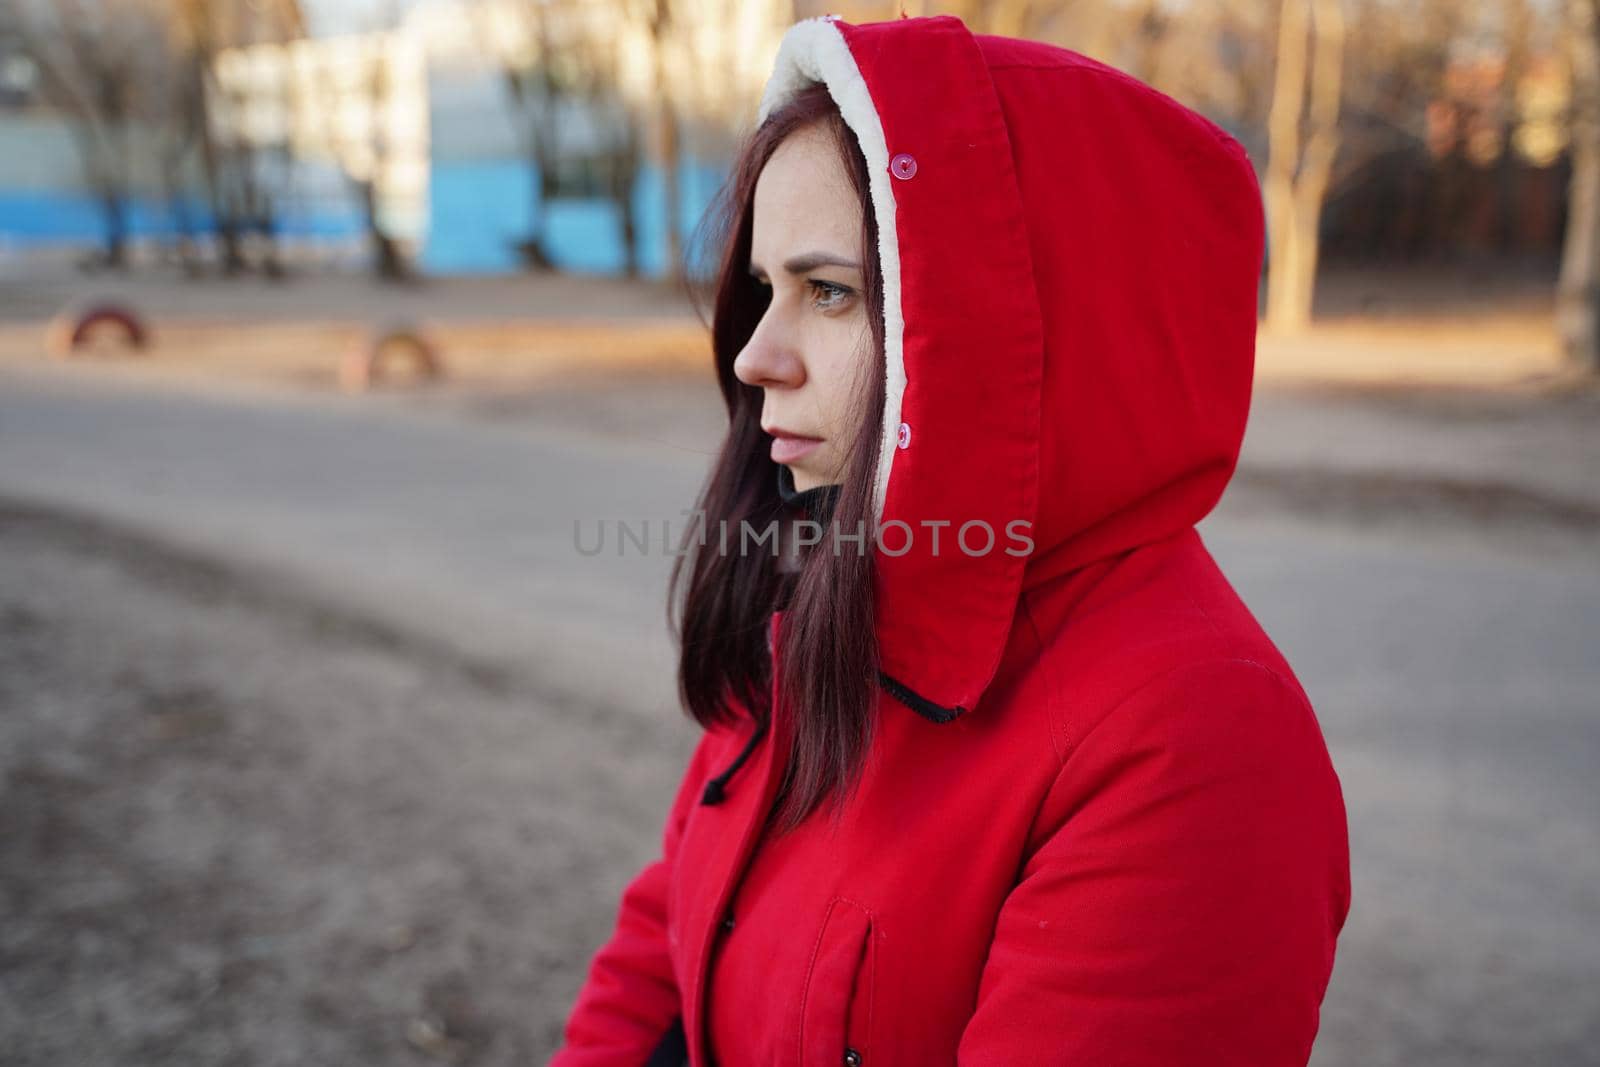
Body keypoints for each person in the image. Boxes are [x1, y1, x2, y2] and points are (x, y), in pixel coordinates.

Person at [549, 12, 1351, 1067]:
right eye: (764, 287)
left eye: (829, 291)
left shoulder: (1193, 740)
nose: (754, 354)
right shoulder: (824, 576)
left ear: (1015, 318)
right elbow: (662, 951)